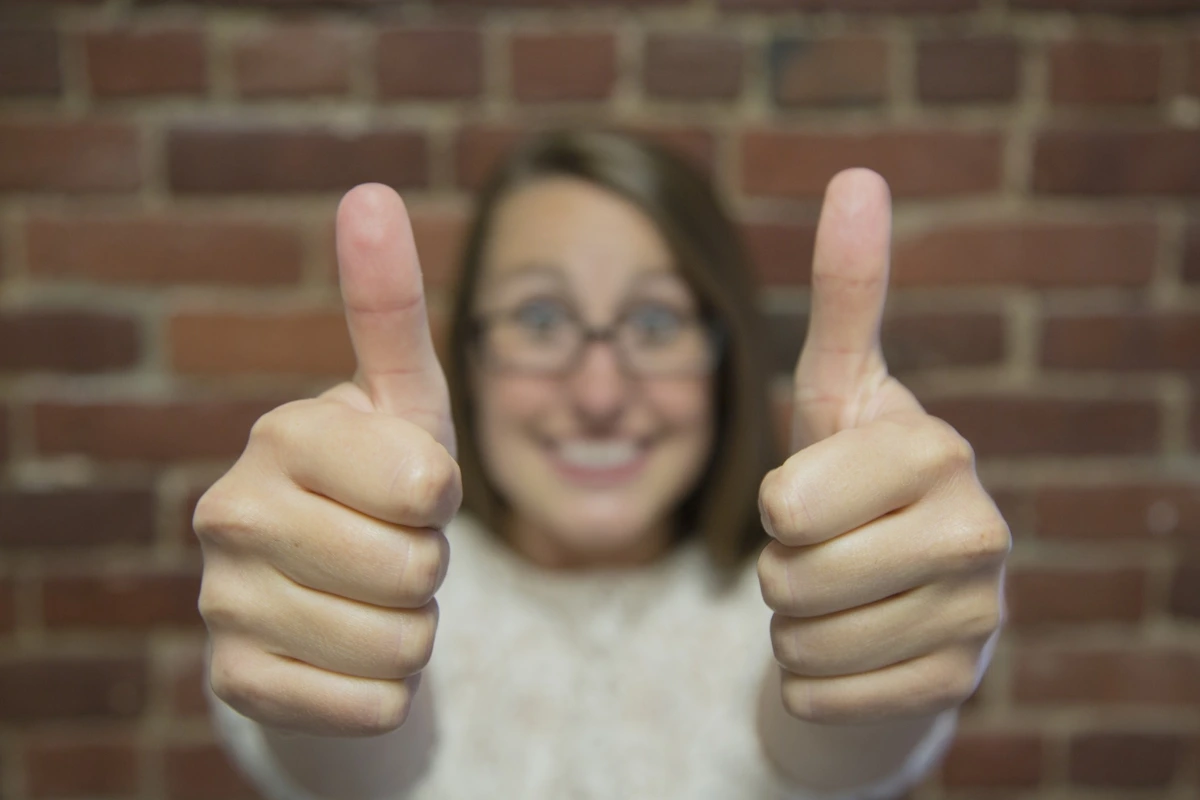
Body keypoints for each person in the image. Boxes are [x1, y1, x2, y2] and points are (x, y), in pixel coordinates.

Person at [194, 130, 1010, 800]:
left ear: (723, 355)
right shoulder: (365, 584)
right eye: (540, 316)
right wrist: (333, 643)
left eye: (656, 321)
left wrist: (873, 617)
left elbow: (835, 747)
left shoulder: (792, 604)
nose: (598, 391)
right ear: (469, 358)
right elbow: (352, 765)